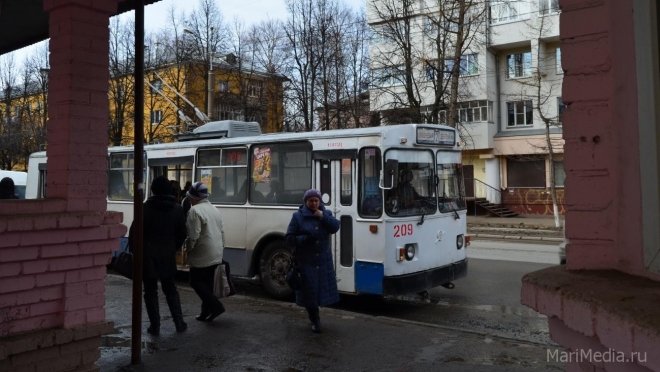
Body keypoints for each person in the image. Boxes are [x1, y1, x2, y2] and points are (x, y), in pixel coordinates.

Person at [128, 176, 188, 336]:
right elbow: (182, 234)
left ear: (153, 190)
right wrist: (172, 248)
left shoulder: (145, 208)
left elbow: (134, 234)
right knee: (171, 290)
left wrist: (137, 252)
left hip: (148, 256)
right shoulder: (177, 209)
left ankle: (155, 326)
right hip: (167, 256)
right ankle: (179, 322)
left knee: (150, 291)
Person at [285, 189, 340, 334]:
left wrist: (322, 217)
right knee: (309, 293)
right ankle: (315, 320)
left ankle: (316, 318)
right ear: (306, 202)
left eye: (316, 201)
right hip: (306, 261)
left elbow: (335, 227)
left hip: (323, 262)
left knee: (320, 291)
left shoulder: (326, 214)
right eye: (311, 201)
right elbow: (289, 238)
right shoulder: (297, 217)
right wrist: (303, 239)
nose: (314, 203)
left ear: (320, 202)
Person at [185, 181, 226, 322]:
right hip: (216, 251)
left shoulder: (194, 211)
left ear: (195, 198)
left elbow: (192, 237)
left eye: (190, 197)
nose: (189, 200)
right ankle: (205, 312)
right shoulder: (214, 209)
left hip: (202, 252)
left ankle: (216, 306)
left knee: (195, 281)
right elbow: (222, 232)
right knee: (207, 284)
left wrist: (188, 251)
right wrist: (221, 249)